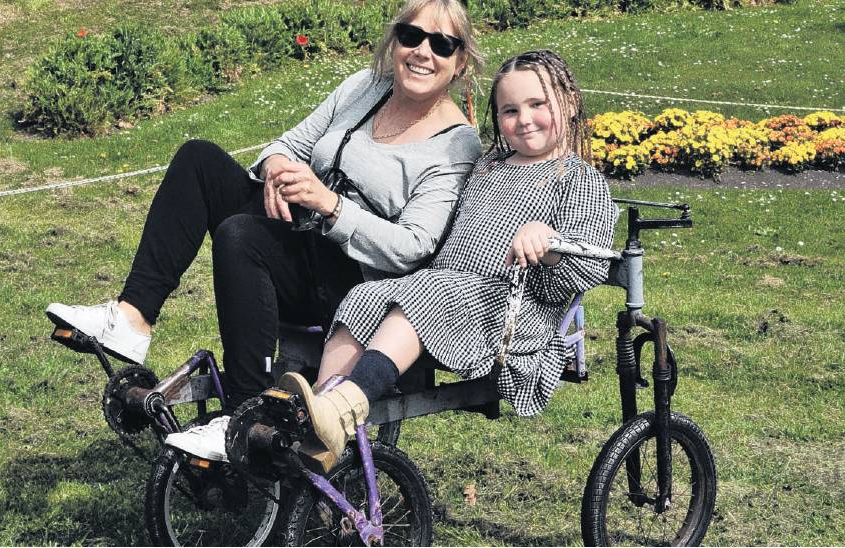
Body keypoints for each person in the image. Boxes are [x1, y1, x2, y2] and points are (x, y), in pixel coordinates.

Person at [45, 0, 484, 460]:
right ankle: (132, 318)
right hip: (302, 234)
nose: (422, 52)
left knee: (241, 235)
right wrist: (276, 166)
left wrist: (330, 205)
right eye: (411, 36)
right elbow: (289, 143)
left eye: (441, 43)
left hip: (355, 281)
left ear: (460, 62)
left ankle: (241, 415)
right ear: (394, 41)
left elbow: (414, 247)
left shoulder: (456, 144)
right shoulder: (367, 87)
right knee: (199, 160)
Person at [277, 49, 620, 472]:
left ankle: (344, 407)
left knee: (430, 290)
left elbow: (585, 266)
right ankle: (323, 412)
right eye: (510, 110)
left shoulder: (578, 180)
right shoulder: (489, 166)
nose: (524, 119)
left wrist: (548, 243)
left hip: (511, 308)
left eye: (537, 104)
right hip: (453, 289)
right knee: (367, 296)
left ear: (568, 103)